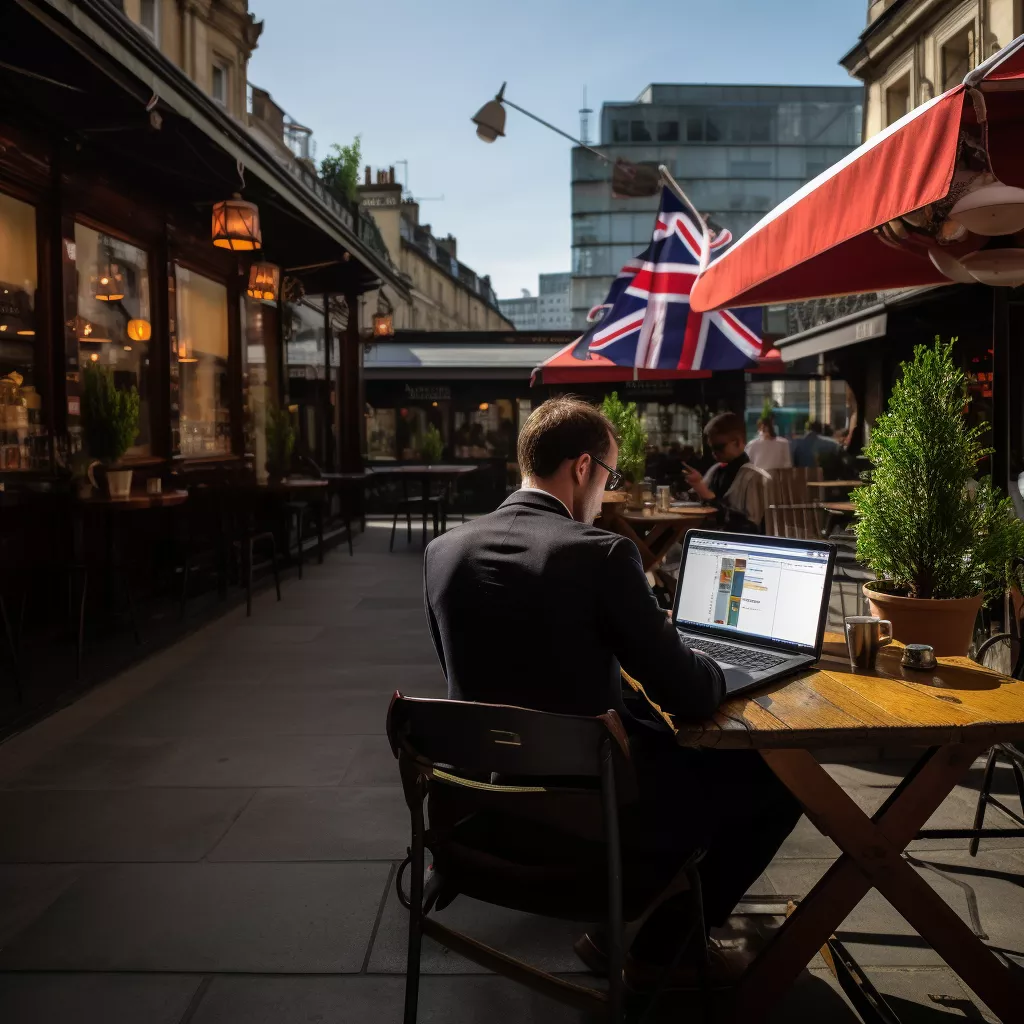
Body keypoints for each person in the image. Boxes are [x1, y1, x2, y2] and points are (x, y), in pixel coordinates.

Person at [423, 397, 801, 990]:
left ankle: (611, 935)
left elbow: (480, 676)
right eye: (610, 475)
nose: (606, 492)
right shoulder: (600, 554)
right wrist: (719, 665)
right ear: (582, 468)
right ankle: (660, 953)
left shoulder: (444, 552)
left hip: (481, 808)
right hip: (592, 817)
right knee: (777, 781)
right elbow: (689, 695)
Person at [684, 412, 770, 534]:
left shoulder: (753, 477)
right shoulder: (716, 470)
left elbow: (751, 528)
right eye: (711, 448)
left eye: (719, 447)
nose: (714, 453)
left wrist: (707, 496)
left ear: (737, 442)